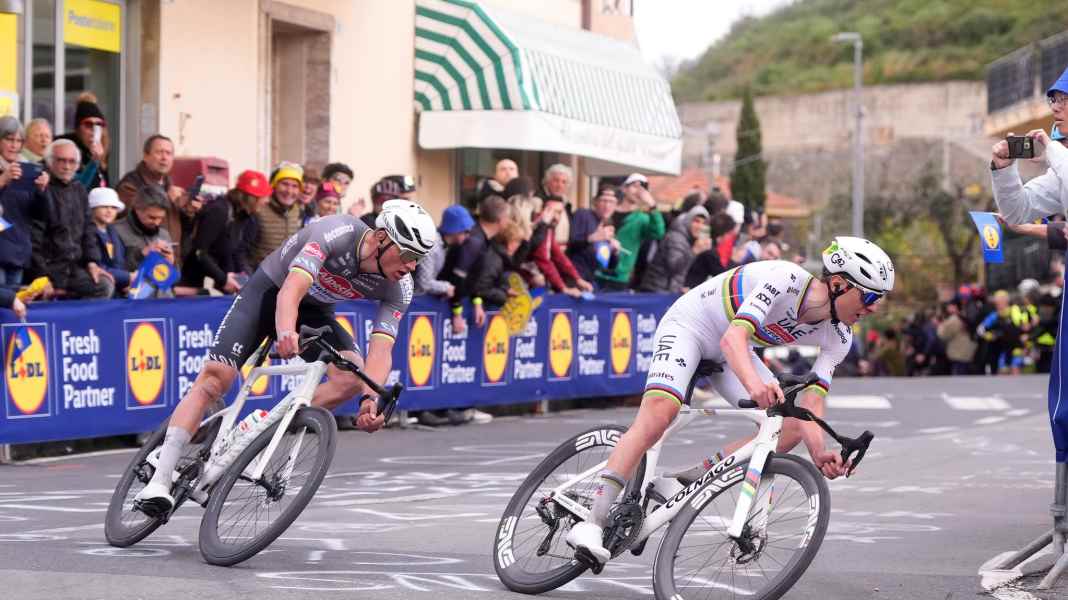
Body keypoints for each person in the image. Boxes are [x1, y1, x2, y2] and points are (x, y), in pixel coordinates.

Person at [566, 236, 895, 564]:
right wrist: (754, 385)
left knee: (790, 426)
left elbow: (813, 398)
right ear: (838, 284)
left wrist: (820, 451)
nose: (873, 308)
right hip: (691, 328)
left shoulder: (840, 336)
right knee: (659, 415)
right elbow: (733, 337)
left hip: (732, 354)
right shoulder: (786, 279)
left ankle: (681, 481)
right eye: (869, 296)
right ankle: (592, 522)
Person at [134, 200, 437, 515]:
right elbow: (290, 291)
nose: (412, 266)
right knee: (215, 380)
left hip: (314, 311)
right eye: (408, 255)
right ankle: (160, 477)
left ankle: (259, 431)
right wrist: (285, 331)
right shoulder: (336, 232)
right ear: (381, 238)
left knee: (350, 378)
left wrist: (369, 400)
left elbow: (382, 349)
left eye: (419, 259)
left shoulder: (400, 286)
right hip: (267, 294)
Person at [33, 139, 113, 299]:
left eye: (71, 161)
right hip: (48, 270)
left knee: (104, 285)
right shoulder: (40, 189)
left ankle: (89, 325)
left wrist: (92, 262)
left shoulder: (79, 190)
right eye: (61, 160)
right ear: (49, 162)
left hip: (76, 269)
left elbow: (88, 231)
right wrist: (41, 276)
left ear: (77, 165)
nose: (67, 166)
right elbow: (34, 239)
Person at [178, 170, 272, 294]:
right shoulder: (219, 210)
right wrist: (223, 279)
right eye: (263, 197)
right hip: (190, 278)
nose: (267, 201)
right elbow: (199, 252)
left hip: (216, 278)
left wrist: (243, 279)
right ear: (251, 198)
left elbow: (235, 252)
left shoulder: (245, 216)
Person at [115, 134, 196, 255]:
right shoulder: (130, 183)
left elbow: (182, 229)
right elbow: (130, 214)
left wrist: (188, 210)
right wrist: (166, 197)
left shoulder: (170, 185)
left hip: (170, 259)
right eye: (159, 152)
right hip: (140, 259)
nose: (164, 157)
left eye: (169, 153)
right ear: (145, 156)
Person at [442, 194, 511, 331]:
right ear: (501, 219)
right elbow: (457, 279)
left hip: (455, 295)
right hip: (442, 297)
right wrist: (457, 314)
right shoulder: (474, 240)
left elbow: (472, 278)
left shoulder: (481, 237)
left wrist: (477, 303)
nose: (509, 221)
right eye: (508, 217)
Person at [0, 116, 50, 291]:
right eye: (9, 139)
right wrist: (2, 180)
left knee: (13, 312)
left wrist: (41, 192)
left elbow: (40, 215)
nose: (14, 145)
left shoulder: (28, 169)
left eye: (19, 141)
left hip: (18, 252)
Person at [595, 173, 665, 291]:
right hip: (594, 272)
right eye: (635, 186)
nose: (639, 191)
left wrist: (652, 205)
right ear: (624, 188)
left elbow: (659, 233)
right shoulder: (607, 209)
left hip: (619, 276)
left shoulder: (642, 218)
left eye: (643, 188)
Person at [530, 195, 592, 298]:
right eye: (552, 211)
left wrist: (577, 279)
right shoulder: (538, 228)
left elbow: (559, 256)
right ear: (542, 211)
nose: (556, 217)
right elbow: (544, 260)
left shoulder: (548, 229)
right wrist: (563, 288)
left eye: (559, 212)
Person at [639, 205, 711, 293]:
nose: (700, 226)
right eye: (696, 221)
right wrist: (694, 251)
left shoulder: (689, 239)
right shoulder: (677, 237)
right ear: (688, 221)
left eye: (704, 223)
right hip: (656, 291)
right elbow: (674, 267)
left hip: (666, 290)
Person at [413, 204, 473, 299]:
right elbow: (424, 283)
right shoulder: (432, 245)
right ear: (455, 228)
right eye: (465, 231)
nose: (468, 236)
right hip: (410, 303)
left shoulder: (444, 245)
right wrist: (446, 287)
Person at [113, 185, 177, 274]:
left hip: (160, 287)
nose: (157, 223)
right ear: (137, 209)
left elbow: (174, 280)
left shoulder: (163, 234)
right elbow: (114, 272)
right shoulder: (116, 231)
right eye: (152, 217)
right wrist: (141, 255)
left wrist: (171, 264)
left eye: (161, 218)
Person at [251, 162, 304, 267]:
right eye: (284, 184)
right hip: (257, 277)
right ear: (274, 185)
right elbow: (243, 250)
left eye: (295, 186)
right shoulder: (258, 210)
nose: (289, 191)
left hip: (285, 279)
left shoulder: (299, 211)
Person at [568, 186, 621, 285]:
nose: (607, 206)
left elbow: (609, 266)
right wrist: (591, 238)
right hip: (574, 277)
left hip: (592, 280)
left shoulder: (607, 225)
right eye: (604, 201)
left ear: (616, 206)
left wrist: (615, 252)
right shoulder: (583, 214)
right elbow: (570, 243)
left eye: (611, 202)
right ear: (595, 202)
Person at [56, 95, 109, 189]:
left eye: (99, 124)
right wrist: (94, 160)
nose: (94, 130)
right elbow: (74, 187)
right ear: (78, 128)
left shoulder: (102, 150)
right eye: (88, 124)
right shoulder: (66, 148)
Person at [88, 187, 131, 296]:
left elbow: (120, 262)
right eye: (104, 206)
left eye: (113, 207)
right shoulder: (87, 232)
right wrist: (128, 277)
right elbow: (98, 267)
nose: (109, 211)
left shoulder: (112, 231)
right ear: (92, 208)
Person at [541, 164, 573, 244]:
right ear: (547, 182)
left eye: (564, 182)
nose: (560, 185)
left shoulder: (567, 205)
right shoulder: (539, 202)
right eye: (556, 180)